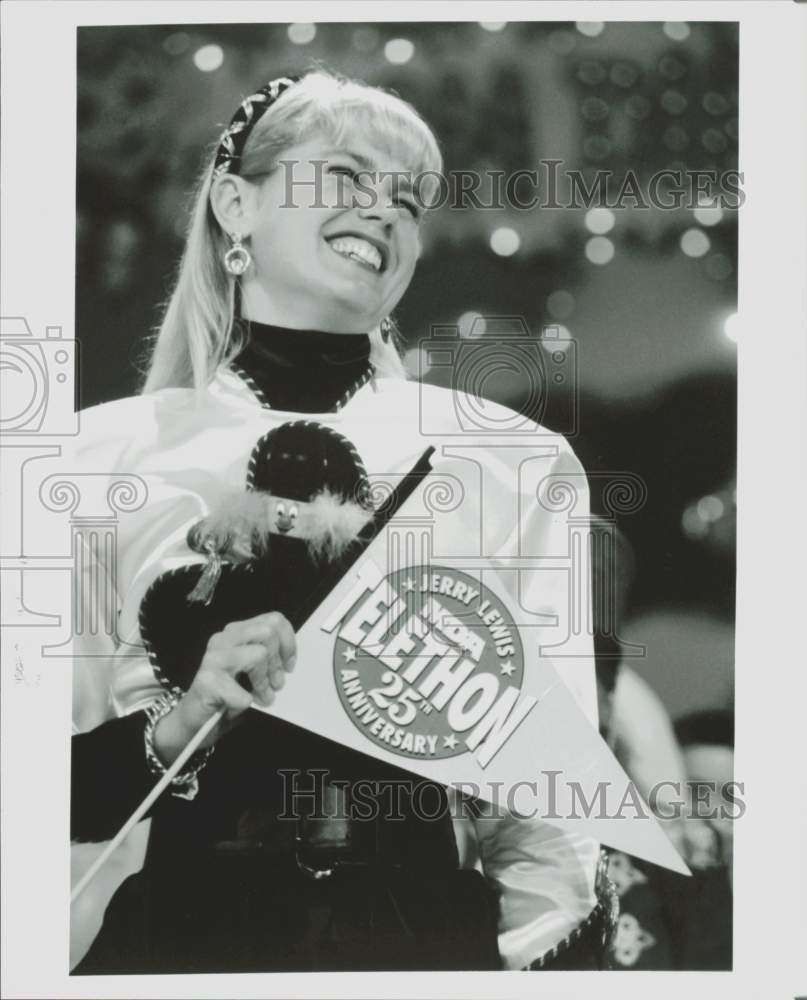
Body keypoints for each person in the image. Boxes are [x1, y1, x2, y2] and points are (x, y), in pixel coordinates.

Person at [69, 70, 610, 974]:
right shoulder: (91, 462)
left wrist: (537, 965)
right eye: (348, 178)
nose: (386, 213)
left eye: (408, 199)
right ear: (236, 205)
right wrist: (179, 722)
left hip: (424, 934)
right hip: (182, 940)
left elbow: (549, 806)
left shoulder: (511, 462)